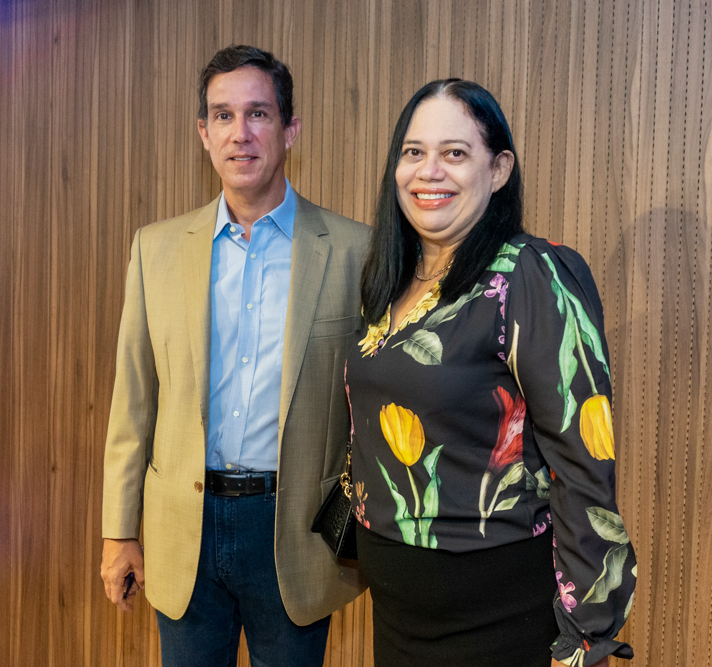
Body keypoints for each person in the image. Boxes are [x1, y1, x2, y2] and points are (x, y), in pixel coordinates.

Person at [345, 79, 636, 667]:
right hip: (398, 615)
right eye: (413, 151)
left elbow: (583, 464)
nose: (429, 171)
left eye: (455, 153)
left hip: (500, 618)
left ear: (498, 169)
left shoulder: (531, 275)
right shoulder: (390, 278)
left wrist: (584, 636)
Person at [100, 45, 368, 667]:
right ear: (204, 132)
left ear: (290, 129)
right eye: (223, 116)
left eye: (258, 114)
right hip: (183, 530)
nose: (239, 133)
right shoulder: (156, 249)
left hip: (295, 534)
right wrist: (119, 531)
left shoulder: (355, 252)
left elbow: (375, 405)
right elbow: (132, 404)